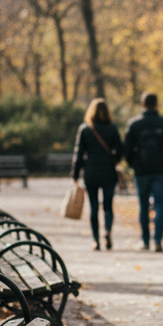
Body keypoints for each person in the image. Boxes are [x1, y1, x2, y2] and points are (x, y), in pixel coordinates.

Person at [124, 92, 163, 252]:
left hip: (141, 171)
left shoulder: (134, 124)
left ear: (143, 105)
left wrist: (133, 164)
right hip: (161, 170)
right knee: (160, 204)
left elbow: (127, 149)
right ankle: (158, 241)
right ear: (156, 104)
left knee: (143, 205)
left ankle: (145, 241)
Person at [72, 98, 124, 251]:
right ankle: (107, 231)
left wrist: (75, 174)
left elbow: (79, 153)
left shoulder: (85, 129)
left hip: (91, 172)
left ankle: (96, 240)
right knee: (108, 205)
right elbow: (120, 150)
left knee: (94, 206)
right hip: (108, 171)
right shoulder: (112, 129)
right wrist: (114, 159)